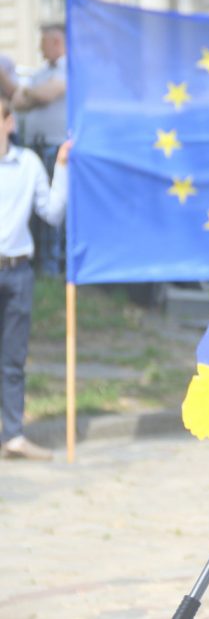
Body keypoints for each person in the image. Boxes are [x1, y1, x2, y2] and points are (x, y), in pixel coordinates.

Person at [0, 96, 69, 460]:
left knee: (13, 359)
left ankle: (13, 435)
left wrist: (62, 167)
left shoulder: (27, 164)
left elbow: (52, 212)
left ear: (9, 122)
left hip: (17, 272)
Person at [0, 25, 68, 276]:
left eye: (44, 43)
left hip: (57, 146)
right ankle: (41, 264)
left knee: (53, 207)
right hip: (37, 145)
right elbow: (18, 102)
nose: (40, 49)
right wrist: (32, 93)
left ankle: (54, 266)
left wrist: (31, 93)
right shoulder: (41, 74)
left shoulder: (69, 69)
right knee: (32, 212)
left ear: (57, 42)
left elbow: (48, 94)